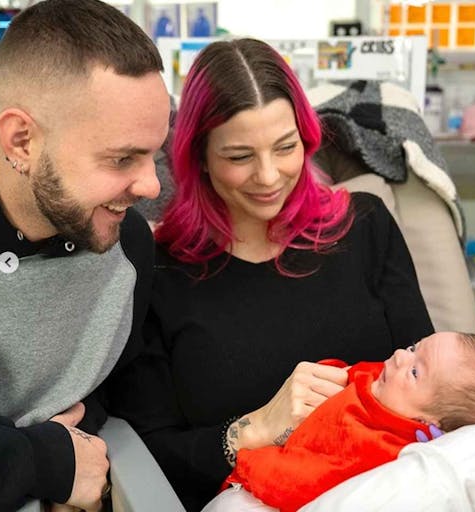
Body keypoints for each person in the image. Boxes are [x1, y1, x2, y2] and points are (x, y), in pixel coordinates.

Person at [107, 38, 435, 511]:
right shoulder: (159, 271)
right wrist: (254, 429)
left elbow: (431, 384)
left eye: (286, 147)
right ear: (198, 157)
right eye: (240, 156)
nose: (268, 176)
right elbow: (149, 453)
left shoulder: (366, 226)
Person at [0, 1, 171, 511]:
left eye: (154, 154)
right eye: (121, 158)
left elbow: (106, 393)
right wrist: (41, 462)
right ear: (22, 140)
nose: (152, 185)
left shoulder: (125, 245)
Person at [210, 331, 475, 512]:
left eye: (416, 372)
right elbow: (352, 373)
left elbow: (310, 479)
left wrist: (256, 466)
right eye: (415, 347)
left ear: (429, 422)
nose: (401, 355)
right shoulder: (389, 385)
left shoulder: (380, 447)